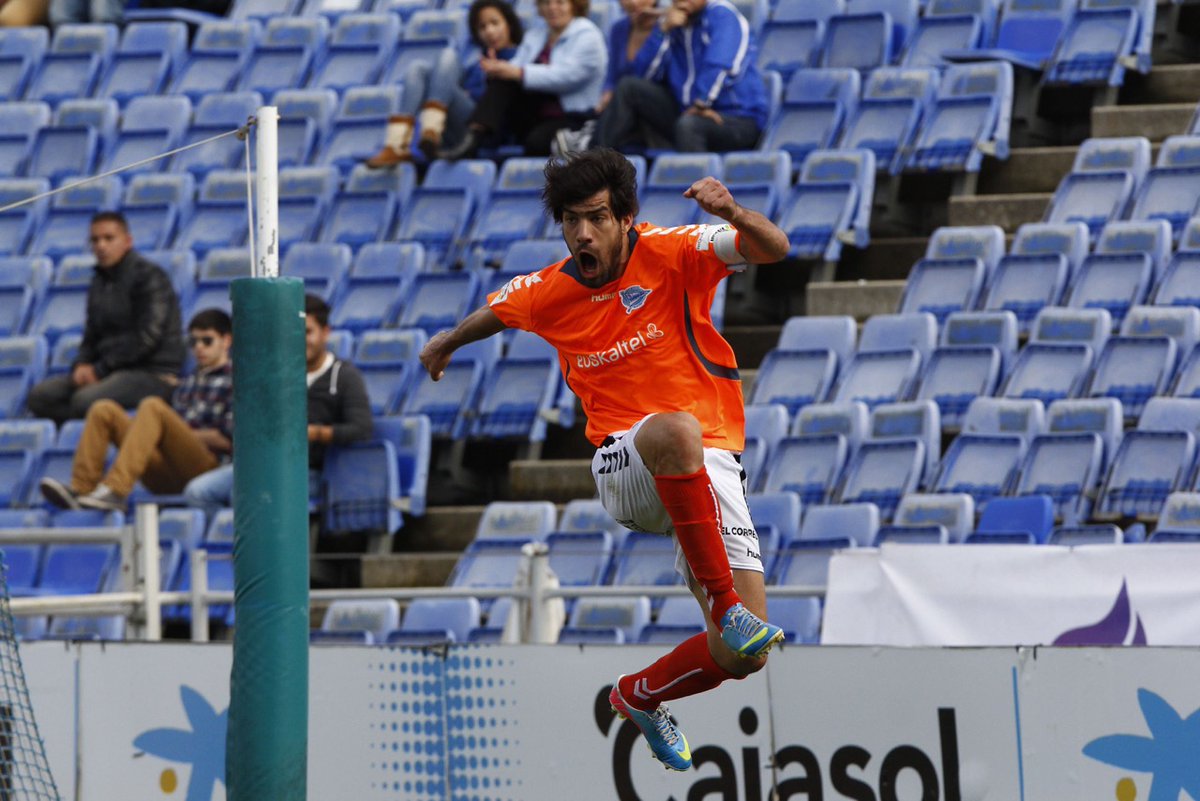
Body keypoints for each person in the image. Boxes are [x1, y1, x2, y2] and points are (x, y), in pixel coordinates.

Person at [418, 148, 790, 771]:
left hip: (710, 464)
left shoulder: (675, 251)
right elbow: (497, 311)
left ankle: (639, 695)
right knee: (675, 429)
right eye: (569, 220)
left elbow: (773, 248)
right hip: (625, 463)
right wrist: (447, 340)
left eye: (594, 217)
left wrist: (735, 213)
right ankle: (725, 603)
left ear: (626, 218)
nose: (581, 233)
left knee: (743, 654)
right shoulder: (548, 289)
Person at [183, 294, 373, 517]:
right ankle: (228, 546)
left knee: (245, 493)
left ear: (325, 333)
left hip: (310, 471)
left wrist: (314, 433)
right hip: (265, 464)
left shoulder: (344, 376)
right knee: (197, 492)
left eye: (307, 331)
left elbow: (362, 429)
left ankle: (258, 549)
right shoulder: (277, 374)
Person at [38, 309, 234, 513]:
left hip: (208, 471)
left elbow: (228, 441)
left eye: (207, 341)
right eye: (193, 342)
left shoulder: (236, 380)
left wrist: (175, 435)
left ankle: (115, 490)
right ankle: (81, 490)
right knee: (103, 409)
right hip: (170, 471)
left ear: (226, 341)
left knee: (152, 407)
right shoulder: (188, 382)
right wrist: (169, 435)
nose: (199, 348)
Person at [27, 212, 185, 426]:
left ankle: (106, 428)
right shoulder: (98, 281)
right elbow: (91, 334)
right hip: (110, 371)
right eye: (95, 240)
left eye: (109, 238)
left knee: (84, 400)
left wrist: (99, 369)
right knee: (40, 397)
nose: (101, 246)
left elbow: (147, 339)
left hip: (152, 372)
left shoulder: (150, 277)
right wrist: (82, 364)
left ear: (128, 241)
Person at [437, 0, 607, 160]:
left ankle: (475, 140)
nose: (552, 7)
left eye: (560, 2)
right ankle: (474, 137)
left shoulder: (588, 35)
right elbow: (516, 65)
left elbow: (567, 76)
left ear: (573, 5)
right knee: (504, 78)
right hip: (534, 113)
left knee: (535, 141)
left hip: (573, 117)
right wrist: (497, 69)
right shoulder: (536, 35)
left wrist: (518, 72)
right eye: (546, 2)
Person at [591, 0, 767, 153]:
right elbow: (644, 74)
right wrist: (662, 31)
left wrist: (702, 101)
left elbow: (721, 65)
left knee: (689, 126)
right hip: (688, 111)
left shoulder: (723, 15)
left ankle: (697, 189)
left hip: (737, 118)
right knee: (629, 87)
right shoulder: (673, 23)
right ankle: (593, 164)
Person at [366, 0, 525, 168]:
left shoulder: (521, 60)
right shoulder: (475, 66)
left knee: (448, 55)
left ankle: (431, 128)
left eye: (495, 23)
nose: (490, 31)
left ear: (509, 25)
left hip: (485, 132)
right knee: (417, 68)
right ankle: (397, 145)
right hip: (456, 130)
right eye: (482, 27)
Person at [554, 0, 662, 155]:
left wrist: (661, 29)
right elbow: (612, 74)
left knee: (628, 86)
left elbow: (653, 73)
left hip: (661, 104)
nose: (632, 2)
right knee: (615, 97)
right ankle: (590, 142)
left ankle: (595, 152)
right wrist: (607, 92)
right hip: (627, 108)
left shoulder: (666, 26)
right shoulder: (619, 28)